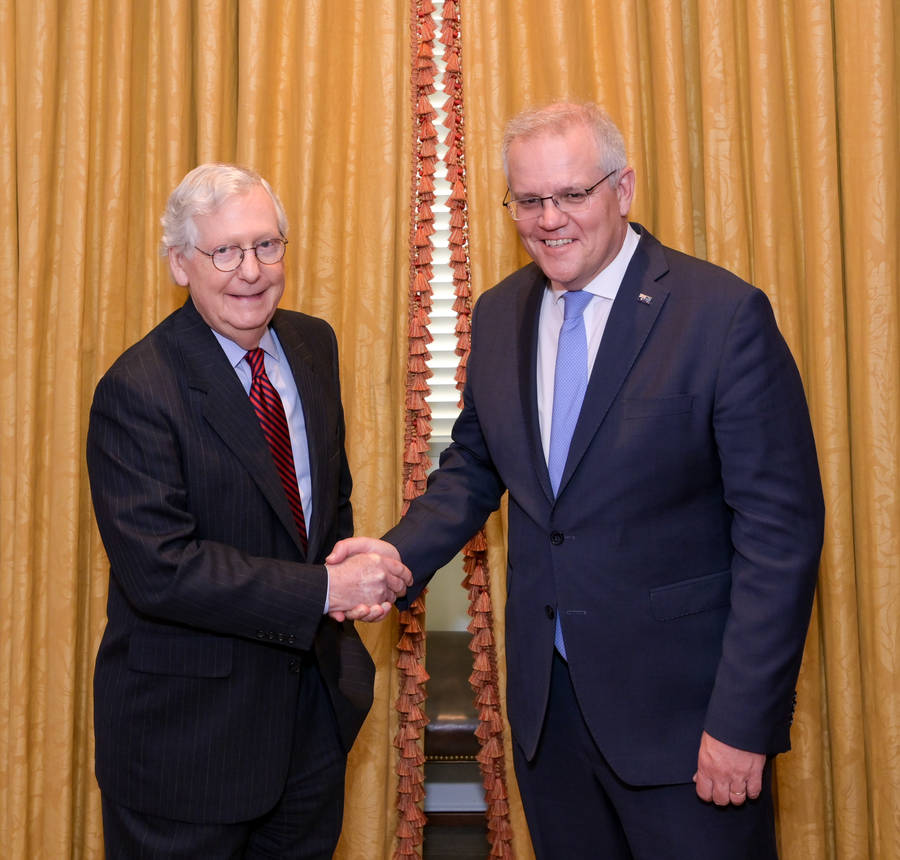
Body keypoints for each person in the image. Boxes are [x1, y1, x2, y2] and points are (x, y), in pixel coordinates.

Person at [328, 103, 825, 858]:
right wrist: (395, 558)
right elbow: (474, 466)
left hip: (689, 728)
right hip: (550, 722)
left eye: (572, 194)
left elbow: (780, 540)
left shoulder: (721, 316)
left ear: (623, 189)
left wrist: (742, 723)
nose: (549, 219)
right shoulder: (500, 314)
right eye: (529, 200)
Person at [86, 163, 411, 859]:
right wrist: (325, 590)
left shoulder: (313, 345)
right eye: (225, 251)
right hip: (187, 750)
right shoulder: (137, 389)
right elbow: (162, 572)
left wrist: (348, 573)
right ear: (180, 264)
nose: (251, 271)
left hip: (309, 730)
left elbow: (326, 500)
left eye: (266, 245)